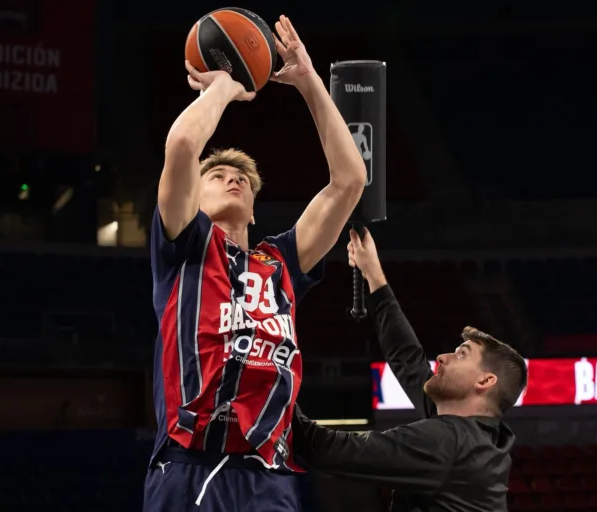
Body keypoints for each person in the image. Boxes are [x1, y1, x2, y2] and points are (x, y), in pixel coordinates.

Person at [143, 14, 367, 512]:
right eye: (218, 174)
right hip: (190, 464)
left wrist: (309, 81)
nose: (233, 179)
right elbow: (182, 144)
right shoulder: (183, 244)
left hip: (268, 474)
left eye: (241, 177)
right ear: (191, 197)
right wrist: (221, 87)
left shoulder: (280, 259)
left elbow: (350, 181)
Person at [292, 228, 528, 512]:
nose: (442, 357)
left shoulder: (448, 442)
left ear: (486, 380)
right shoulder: (478, 438)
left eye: (461, 355)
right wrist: (374, 274)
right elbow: (408, 359)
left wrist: (270, 382)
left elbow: (324, 449)